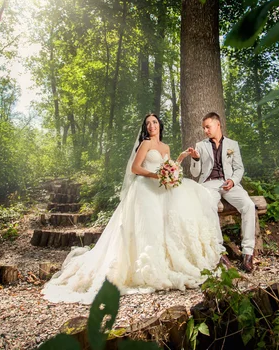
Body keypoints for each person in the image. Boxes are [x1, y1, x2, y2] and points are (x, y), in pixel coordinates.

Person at [42, 113, 225, 304]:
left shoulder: (165, 147)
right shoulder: (145, 144)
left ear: (160, 125)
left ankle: (173, 260)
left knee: (174, 217)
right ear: (146, 128)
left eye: (154, 122)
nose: (151, 126)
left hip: (162, 189)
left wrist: (177, 162)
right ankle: (144, 267)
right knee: (148, 227)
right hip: (145, 188)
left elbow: (169, 167)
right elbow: (136, 168)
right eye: (148, 124)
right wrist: (156, 175)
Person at [188, 112, 257, 273]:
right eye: (204, 128)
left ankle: (248, 253)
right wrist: (196, 159)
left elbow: (239, 168)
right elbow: (195, 173)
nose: (205, 130)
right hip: (209, 184)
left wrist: (233, 181)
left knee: (248, 205)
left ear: (218, 125)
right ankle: (219, 253)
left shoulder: (233, 144)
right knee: (208, 206)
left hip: (229, 184)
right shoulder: (200, 145)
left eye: (208, 127)